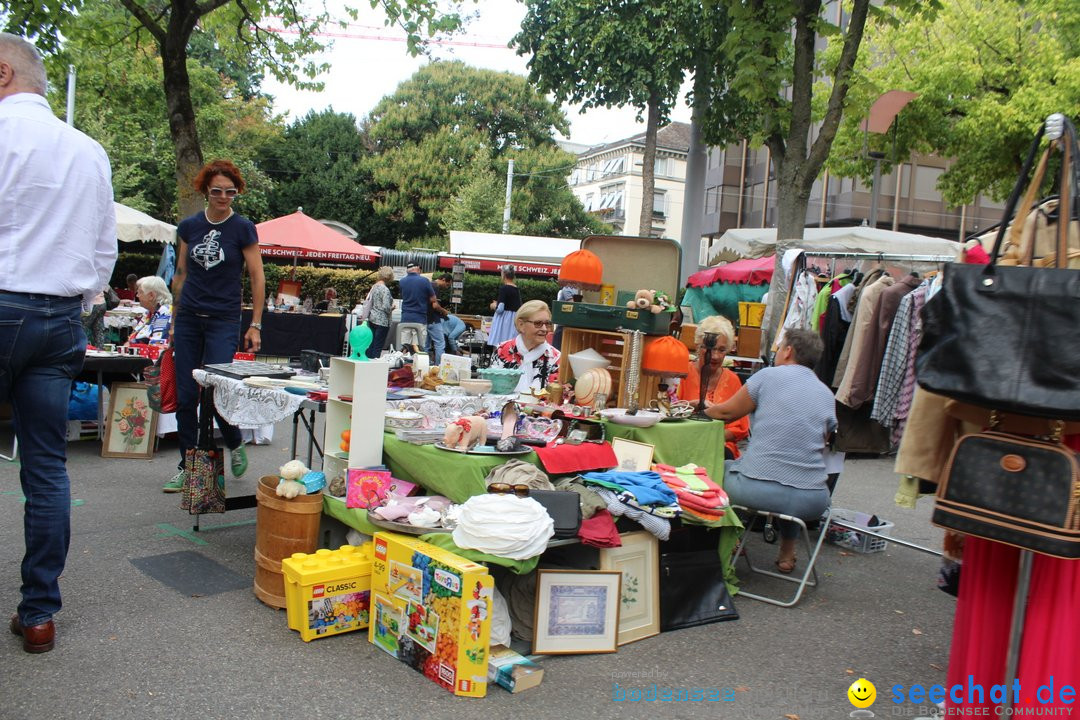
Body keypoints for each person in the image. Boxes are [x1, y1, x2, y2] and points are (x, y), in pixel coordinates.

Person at [0, 33, 117, 653]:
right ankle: (39, 611)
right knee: (46, 470)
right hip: (57, 316)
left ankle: (41, 608)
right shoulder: (87, 150)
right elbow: (103, 251)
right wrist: (82, 299)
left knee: (45, 470)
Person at [167, 159, 265, 493]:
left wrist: (255, 324)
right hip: (190, 318)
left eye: (230, 192)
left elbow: (256, 275)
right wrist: (172, 319)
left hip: (223, 318)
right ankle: (187, 466)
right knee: (185, 395)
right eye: (217, 191)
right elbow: (180, 274)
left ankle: (234, 440)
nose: (223, 197)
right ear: (205, 191)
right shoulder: (189, 227)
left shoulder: (242, 228)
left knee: (219, 390)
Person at [707, 329, 837, 575]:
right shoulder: (826, 394)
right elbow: (822, 442)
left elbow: (725, 413)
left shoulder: (767, 376)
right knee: (792, 474)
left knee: (718, 467)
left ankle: (726, 542)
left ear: (788, 351)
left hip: (757, 491)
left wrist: (698, 409)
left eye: (780, 347)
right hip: (812, 498)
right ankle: (787, 550)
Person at [675, 315, 749, 459]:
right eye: (710, 349)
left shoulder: (733, 380)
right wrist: (691, 405)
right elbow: (668, 412)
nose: (715, 356)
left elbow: (740, 428)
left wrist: (709, 437)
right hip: (684, 441)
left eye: (721, 350)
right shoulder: (682, 373)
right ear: (698, 346)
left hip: (720, 447)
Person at [488, 300, 560, 394]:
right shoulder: (502, 350)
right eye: (538, 323)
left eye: (547, 324)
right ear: (521, 325)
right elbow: (492, 388)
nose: (544, 329)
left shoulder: (556, 359)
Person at [124, 276, 173, 346]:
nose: (137, 295)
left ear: (151, 296)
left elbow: (157, 342)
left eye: (140, 292)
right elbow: (134, 335)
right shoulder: (149, 313)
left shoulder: (165, 312)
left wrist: (131, 344)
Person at [398, 261, 435, 350]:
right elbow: (433, 299)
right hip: (420, 318)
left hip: (405, 318)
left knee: (404, 346)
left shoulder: (402, 281)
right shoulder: (425, 281)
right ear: (417, 268)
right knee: (419, 347)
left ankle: (403, 362)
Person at [364, 266, 395, 359]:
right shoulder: (385, 290)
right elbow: (385, 307)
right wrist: (392, 307)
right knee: (378, 346)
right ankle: (374, 365)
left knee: (371, 344)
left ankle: (367, 363)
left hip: (372, 318)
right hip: (382, 321)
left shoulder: (374, 287)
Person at [486, 266, 521, 348]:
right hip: (513, 321)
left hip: (503, 321)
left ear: (504, 274)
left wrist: (493, 305)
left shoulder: (504, 288)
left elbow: (500, 309)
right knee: (509, 345)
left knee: (499, 344)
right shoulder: (516, 289)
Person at [427, 272, 453, 363]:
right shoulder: (436, 287)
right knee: (440, 344)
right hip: (433, 319)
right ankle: (439, 367)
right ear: (443, 280)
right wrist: (444, 311)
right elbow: (435, 306)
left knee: (426, 345)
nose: (447, 287)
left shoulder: (429, 285)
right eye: (447, 284)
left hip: (426, 318)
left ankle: (424, 366)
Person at [551, 283, 578, 350]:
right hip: (564, 323)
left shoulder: (578, 289)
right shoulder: (567, 289)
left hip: (570, 323)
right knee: (558, 347)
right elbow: (573, 305)